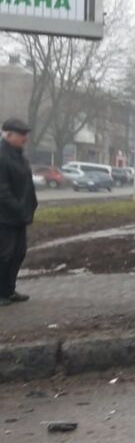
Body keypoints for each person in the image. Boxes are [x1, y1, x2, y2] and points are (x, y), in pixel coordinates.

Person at [0, 118, 38, 307]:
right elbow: (2, 191)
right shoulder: (2, 156)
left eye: (25, 134)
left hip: (19, 217)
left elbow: (27, 184)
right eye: (21, 134)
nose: (25, 138)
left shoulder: (19, 155)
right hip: (4, 217)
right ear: (8, 135)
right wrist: (18, 208)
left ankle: (9, 290)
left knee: (18, 253)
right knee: (4, 255)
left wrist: (31, 205)